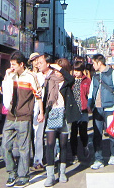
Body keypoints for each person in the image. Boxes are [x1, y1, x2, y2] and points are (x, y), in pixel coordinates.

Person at [0, 51, 44, 188]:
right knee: (5, 146)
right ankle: (11, 172)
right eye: (10, 64)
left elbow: (38, 95)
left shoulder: (31, 77)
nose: (11, 67)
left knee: (24, 148)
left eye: (14, 64)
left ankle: (23, 175)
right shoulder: (11, 75)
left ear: (21, 64)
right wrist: (7, 76)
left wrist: (41, 112)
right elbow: (4, 91)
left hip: (25, 115)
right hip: (11, 115)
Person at [42, 58, 80, 186]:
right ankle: (50, 175)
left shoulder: (67, 82)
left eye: (59, 69)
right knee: (50, 144)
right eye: (55, 69)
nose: (56, 72)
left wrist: (60, 69)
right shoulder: (49, 80)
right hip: (52, 114)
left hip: (64, 115)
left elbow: (71, 78)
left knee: (63, 144)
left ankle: (62, 173)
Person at [87, 53, 114, 169]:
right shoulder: (95, 75)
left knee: (112, 133)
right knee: (97, 134)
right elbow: (92, 90)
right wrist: (89, 104)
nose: (92, 65)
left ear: (99, 62)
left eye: (93, 63)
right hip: (97, 108)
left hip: (110, 107)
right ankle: (98, 159)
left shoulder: (112, 73)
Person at [70, 60, 91, 162]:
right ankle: (74, 154)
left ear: (82, 71)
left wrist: (90, 105)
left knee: (83, 132)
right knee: (73, 133)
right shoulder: (71, 80)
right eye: (75, 70)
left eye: (78, 70)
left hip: (83, 109)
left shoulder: (87, 81)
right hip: (73, 110)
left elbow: (89, 94)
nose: (76, 73)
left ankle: (85, 146)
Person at [28, 52, 46, 171]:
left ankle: (38, 159)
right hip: (27, 107)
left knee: (38, 135)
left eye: (37, 60)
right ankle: (27, 159)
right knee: (27, 135)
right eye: (33, 60)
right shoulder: (27, 74)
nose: (35, 62)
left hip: (39, 107)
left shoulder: (43, 75)